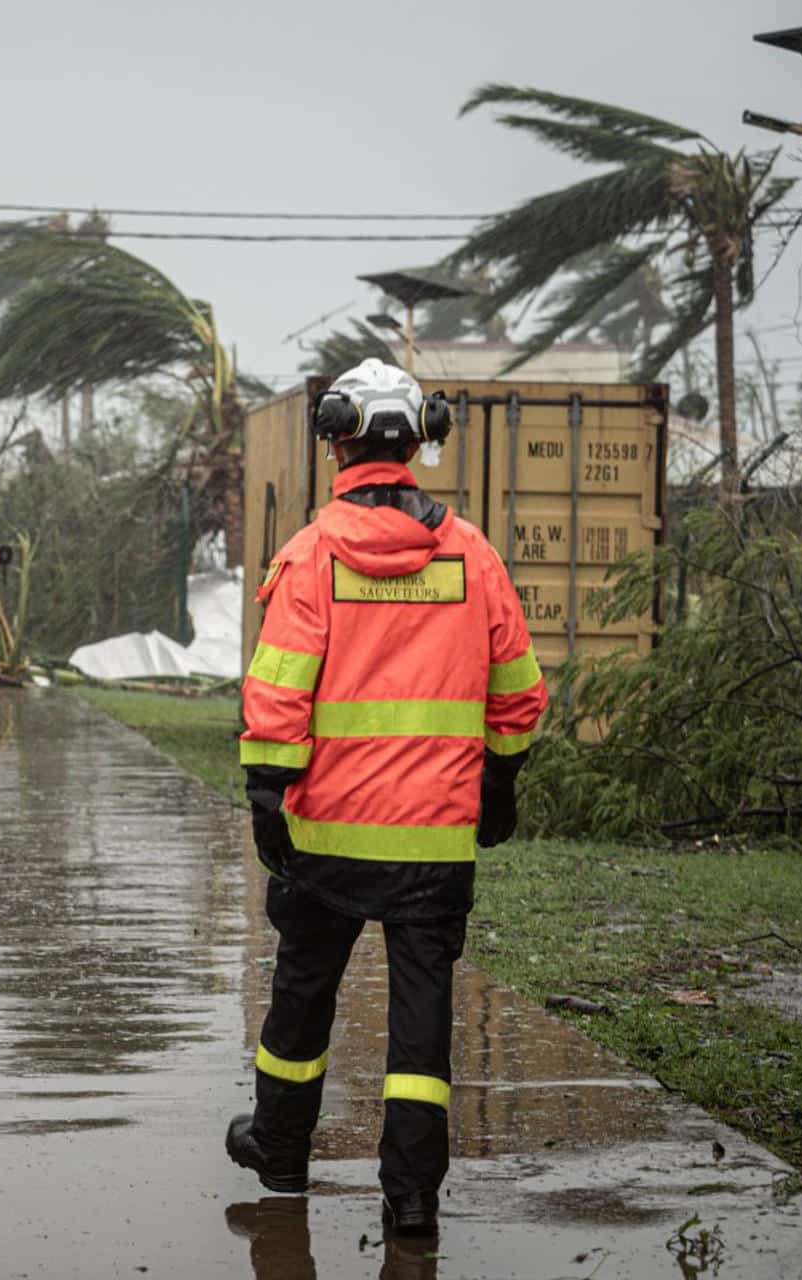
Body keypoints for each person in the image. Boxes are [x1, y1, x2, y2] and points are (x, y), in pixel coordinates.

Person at [227, 359, 548, 1237]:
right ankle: (410, 1198)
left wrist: (268, 794)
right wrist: (502, 779)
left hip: (327, 836)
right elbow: (518, 694)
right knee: (422, 1021)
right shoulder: (472, 555)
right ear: (422, 440)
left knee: (303, 990)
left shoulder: (313, 553)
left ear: (336, 439)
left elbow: (279, 691)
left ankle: (282, 1153)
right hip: (435, 843)